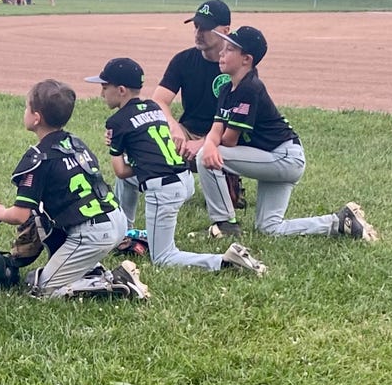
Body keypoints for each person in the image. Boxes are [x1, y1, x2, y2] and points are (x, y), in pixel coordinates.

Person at [196, 26, 378, 241]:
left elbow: (228, 140)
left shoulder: (250, 88)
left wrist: (207, 146)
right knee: (269, 227)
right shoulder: (228, 89)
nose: (221, 53)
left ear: (246, 59)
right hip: (274, 157)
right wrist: (209, 142)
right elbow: (217, 127)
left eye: (229, 49)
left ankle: (225, 224)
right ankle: (339, 222)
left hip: (283, 158)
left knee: (205, 158)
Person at [88, 58, 267, 274]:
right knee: (127, 181)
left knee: (163, 257)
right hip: (184, 179)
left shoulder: (117, 121)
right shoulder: (154, 107)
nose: (101, 93)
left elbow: (121, 170)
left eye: (104, 87)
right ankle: (126, 232)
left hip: (164, 190)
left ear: (122, 90)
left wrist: (115, 148)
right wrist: (146, 163)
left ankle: (225, 261)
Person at [0, 79, 144, 299]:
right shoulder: (76, 143)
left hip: (92, 233)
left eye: (26, 107)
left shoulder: (38, 158)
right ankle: (91, 268)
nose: (25, 112)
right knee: (41, 267)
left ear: (36, 117)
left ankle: (113, 283)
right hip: (116, 219)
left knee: (42, 289)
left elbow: (21, 215)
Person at [151, 0, 246, 226]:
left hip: (226, 137)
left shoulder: (238, 66)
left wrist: (205, 144)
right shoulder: (183, 60)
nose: (198, 32)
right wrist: (175, 128)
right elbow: (159, 100)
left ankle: (228, 178)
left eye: (205, 28)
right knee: (152, 133)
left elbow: (237, 121)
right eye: (196, 26)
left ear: (225, 31)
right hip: (188, 132)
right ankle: (171, 183)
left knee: (223, 142)